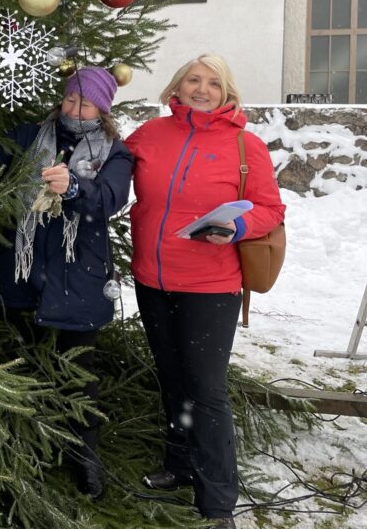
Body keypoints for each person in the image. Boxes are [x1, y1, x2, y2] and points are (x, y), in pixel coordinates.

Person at [124, 54, 285, 529]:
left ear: (226, 92)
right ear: (177, 87)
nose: (202, 89)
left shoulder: (245, 145)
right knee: (172, 379)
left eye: (213, 83)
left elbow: (271, 209)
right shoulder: (149, 135)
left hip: (210, 287)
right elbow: (105, 169)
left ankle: (217, 503)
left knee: (207, 391)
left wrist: (238, 226)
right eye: (193, 80)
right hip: (153, 280)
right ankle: (178, 465)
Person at [0, 66, 133, 500]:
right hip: (21, 267)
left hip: (80, 274)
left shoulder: (116, 152)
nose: (74, 108)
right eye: (70, 98)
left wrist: (74, 187)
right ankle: (18, 452)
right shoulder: (31, 135)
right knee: (19, 362)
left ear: (102, 108)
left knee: (79, 372)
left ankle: (84, 457)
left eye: (85, 102)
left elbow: (109, 200)